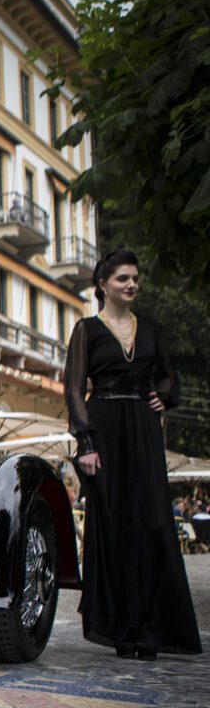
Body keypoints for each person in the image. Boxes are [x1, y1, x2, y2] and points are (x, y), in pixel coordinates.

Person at [64, 250, 201, 660]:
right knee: (115, 525)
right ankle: (123, 629)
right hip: (104, 429)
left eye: (135, 278)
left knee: (154, 524)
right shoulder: (86, 330)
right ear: (103, 284)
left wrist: (164, 396)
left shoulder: (152, 329)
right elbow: (74, 390)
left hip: (143, 429)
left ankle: (152, 628)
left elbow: (168, 375)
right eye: (123, 278)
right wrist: (85, 444)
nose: (132, 284)